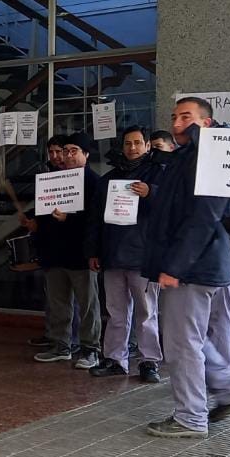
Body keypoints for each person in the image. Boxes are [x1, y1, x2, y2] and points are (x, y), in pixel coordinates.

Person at [142, 97, 230, 439]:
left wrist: (175, 266)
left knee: (181, 343)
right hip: (199, 263)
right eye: (173, 116)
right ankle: (229, 390)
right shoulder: (189, 156)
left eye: (185, 117)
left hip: (193, 266)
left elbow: (204, 217)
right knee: (191, 338)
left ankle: (190, 417)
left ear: (206, 121)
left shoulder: (208, 156)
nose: (176, 123)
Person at [87, 126, 163, 382]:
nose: (132, 148)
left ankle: (149, 361)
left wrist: (152, 193)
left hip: (144, 256)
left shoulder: (159, 175)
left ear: (147, 145)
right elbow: (95, 219)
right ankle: (114, 359)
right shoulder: (108, 179)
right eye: (128, 143)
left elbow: (173, 208)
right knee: (116, 311)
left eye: (138, 143)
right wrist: (94, 251)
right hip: (112, 253)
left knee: (146, 312)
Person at [28, 133, 102, 369]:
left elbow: (96, 220)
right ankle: (61, 345)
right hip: (54, 254)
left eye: (74, 151)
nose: (67, 156)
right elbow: (43, 214)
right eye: (65, 151)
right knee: (58, 303)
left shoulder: (93, 182)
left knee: (88, 304)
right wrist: (36, 226)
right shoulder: (52, 179)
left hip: (81, 255)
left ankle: (91, 349)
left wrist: (69, 218)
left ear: (86, 154)